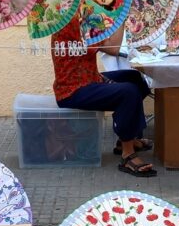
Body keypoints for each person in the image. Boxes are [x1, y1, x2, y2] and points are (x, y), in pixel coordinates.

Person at [51, 15, 155, 177]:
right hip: (73, 90)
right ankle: (127, 155)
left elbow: (104, 40)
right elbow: (112, 48)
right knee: (128, 92)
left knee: (134, 78)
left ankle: (125, 140)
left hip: (89, 79)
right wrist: (121, 17)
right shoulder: (76, 21)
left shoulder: (77, 17)